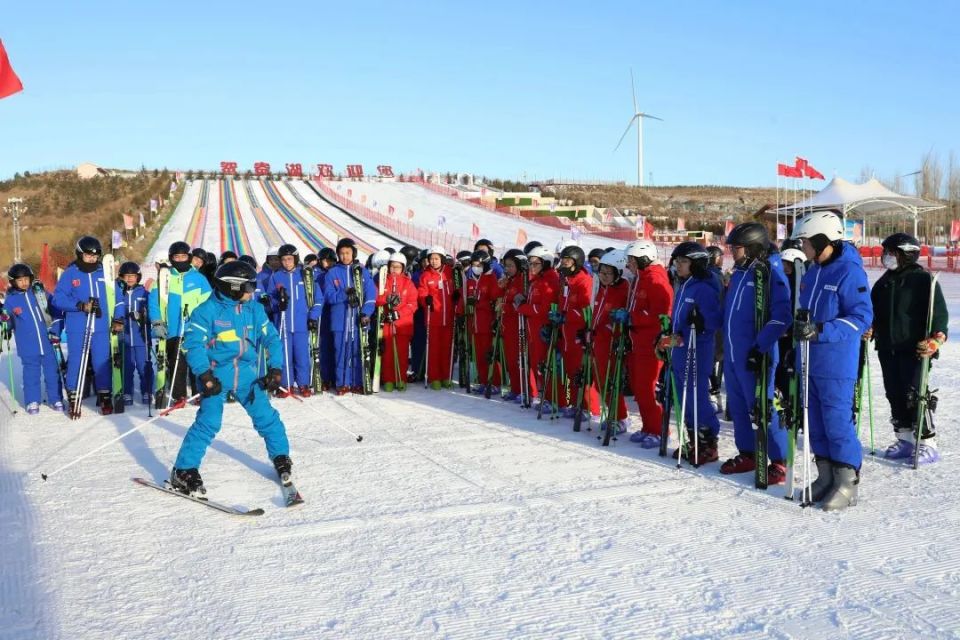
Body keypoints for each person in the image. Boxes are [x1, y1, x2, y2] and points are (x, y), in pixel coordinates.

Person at [168, 261, 292, 497]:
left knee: (266, 416)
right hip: (216, 376)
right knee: (209, 422)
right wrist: (204, 375)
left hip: (246, 375)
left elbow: (272, 339)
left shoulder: (253, 309)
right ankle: (183, 470)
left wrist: (276, 369)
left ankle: (281, 456)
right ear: (233, 287)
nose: (252, 291)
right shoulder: (206, 311)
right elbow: (193, 345)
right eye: (248, 287)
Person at [791, 212, 872, 511]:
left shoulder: (849, 272)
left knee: (837, 424)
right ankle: (825, 476)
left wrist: (822, 330)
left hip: (836, 363)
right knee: (815, 425)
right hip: (808, 360)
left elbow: (861, 317)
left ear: (822, 240)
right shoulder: (813, 271)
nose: (802, 247)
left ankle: (847, 482)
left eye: (805, 241)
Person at [717, 223, 792, 484]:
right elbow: (730, 313)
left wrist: (760, 347)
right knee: (737, 407)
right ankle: (748, 452)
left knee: (761, 407)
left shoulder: (770, 273)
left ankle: (780, 459)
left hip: (755, 354)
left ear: (750, 248)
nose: (731, 253)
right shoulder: (739, 272)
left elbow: (782, 316)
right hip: (733, 353)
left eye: (735, 248)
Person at [870, 232, 948, 464]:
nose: (886, 257)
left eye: (890, 253)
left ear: (906, 254)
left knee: (915, 395)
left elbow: (939, 314)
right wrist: (870, 327)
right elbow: (873, 313)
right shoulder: (883, 283)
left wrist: (936, 339)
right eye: (885, 253)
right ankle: (904, 438)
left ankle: (927, 442)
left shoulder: (923, 281)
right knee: (894, 393)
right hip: (887, 348)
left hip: (915, 349)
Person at [659, 242, 723, 465]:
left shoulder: (704, 287)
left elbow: (714, 320)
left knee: (695, 395)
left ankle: (707, 441)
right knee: (682, 394)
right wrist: (671, 334)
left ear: (696, 263)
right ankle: (693, 439)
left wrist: (701, 322)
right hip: (680, 348)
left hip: (698, 348)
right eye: (677, 262)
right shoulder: (684, 285)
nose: (678, 266)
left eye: (684, 262)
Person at [52, 236, 114, 415]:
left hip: (101, 325)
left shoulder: (104, 272)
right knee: (77, 360)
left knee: (101, 361)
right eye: (88, 256)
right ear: (80, 254)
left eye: (95, 256)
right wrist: (80, 305)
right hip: (78, 324)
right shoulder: (70, 273)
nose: (92, 259)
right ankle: (74, 395)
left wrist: (117, 318)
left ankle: (104, 395)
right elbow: (58, 298)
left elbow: (116, 297)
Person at [148, 241, 211, 406]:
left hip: (195, 329)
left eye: (183, 256)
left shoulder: (199, 279)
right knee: (177, 363)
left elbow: (208, 304)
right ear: (171, 258)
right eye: (177, 257)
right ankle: (179, 396)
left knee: (197, 362)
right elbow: (154, 302)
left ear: (189, 257)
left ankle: (199, 393)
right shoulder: (164, 277)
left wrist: (207, 324)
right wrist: (157, 322)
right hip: (173, 329)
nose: (180, 259)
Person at [624, 240, 674, 448]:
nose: (629, 265)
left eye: (632, 261)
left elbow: (661, 314)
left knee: (646, 388)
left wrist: (632, 318)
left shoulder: (655, 280)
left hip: (651, 342)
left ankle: (659, 430)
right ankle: (648, 426)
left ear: (643, 259)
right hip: (638, 341)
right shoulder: (641, 278)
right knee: (638, 387)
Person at [2, 263, 63, 413]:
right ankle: (32, 401)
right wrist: (4, 320)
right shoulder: (11, 300)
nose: (24, 282)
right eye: (20, 280)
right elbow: (8, 322)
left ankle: (56, 399)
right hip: (27, 345)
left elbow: (55, 311)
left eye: (26, 279)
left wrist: (55, 329)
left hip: (47, 341)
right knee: (31, 374)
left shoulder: (40, 292)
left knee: (52, 372)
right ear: (13, 282)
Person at [267, 244, 323, 397]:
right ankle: (286, 385)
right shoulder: (276, 276)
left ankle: (304, 384)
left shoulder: (305, 276)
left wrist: (312, 316)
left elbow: (318, 299)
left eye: (290, 259)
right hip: (284, 324)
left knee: (302, 356)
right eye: (284, 259)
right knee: (285, 356)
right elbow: (269, 299)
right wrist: (278, 304)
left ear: (295, 259)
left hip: (301, 324)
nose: (287, 262)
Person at [322, 238, 376, 394]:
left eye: (348, 253)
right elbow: (328, 296)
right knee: (341, 352)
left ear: (354, 253)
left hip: (359, 319)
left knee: (358, 352)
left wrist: (366, 312)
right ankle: (342, 383)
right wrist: (343, 294)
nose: (345, 256)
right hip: (340, 321)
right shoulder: (332, 273)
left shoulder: (362, 271)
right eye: (342, 253)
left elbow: (370, 295)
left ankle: (357, 381)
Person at [591, 250, 631, 434]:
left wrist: (611, 329)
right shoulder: (603, 288)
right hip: (598, 342)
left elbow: (624, 315)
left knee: (610, 381)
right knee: (600, 382)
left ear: (619, 273)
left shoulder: (623, 290)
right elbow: (596, 313)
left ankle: (620, 417)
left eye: (608, 273)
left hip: (612, 342)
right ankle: (614, 414)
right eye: (602, 272)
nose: (604, 277)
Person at [516, 246, 559, 406]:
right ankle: (542, 395)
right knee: (536, 364)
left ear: (546, 264)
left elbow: (543, 309)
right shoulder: (537, 280)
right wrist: (524, 299)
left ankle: (551, 398)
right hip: (533, 329)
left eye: (536, 263)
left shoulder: (550, 280)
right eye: (530, 263)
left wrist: (523, 307)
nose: (532, 267)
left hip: (543, 330)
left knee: (543, 365)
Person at [557, 245, 595, 420]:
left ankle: (590, 407)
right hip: (566, 333)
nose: (563, 264)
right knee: (571, 370)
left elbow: (586, 310)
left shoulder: (583, 281)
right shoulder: (566, 280)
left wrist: (566, 315)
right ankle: (574, 403)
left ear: (576, 262)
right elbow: (562, 303)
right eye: (562, 260)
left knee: (582, 371)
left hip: (578, 332)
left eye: (567, 261)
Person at [113, 261, 154, 406]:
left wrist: (142, 315)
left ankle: (147, 391)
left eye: (133, 276)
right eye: (126, 276)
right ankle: (127, 392)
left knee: (144, 366)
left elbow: (152, 312)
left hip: (141, 337)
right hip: (124, 338)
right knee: (127, 367)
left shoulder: (144, 293)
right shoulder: (118, 294)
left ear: (138, 277)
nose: (130, 279)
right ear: (121, 277)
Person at [376, 252, 418, 391]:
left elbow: (413, 304)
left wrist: (398, 313)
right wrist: (386, 302)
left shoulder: (408, 283)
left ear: (403, 268)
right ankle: (388, 379)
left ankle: (400, 379)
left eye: (398, 267)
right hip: (387, 324)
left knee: (402, 353)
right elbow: (377, 298)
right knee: (387, 354)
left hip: (402, 325)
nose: (394, 270)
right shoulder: (383, 281)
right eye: (392, 266)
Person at [464, 249, 502, 393]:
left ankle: (494, 382)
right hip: (474, 325)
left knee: (488, 354)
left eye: (479, 265)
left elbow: (494, 301)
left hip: (486, 323)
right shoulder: (470, 280)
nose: (476, 267)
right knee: (478, 355)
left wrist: (478, 303)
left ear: (485, 265)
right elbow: (465, 299)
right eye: (474, 264)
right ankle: (483, 380)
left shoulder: (490, 278)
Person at [417, 245, 455, 389]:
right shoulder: (426, 275)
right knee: (434, 349)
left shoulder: (450, 273)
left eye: (436, 258)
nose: (433, 261)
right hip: (433, 318)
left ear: (442, 259)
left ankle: (446, 376)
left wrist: (457, 297)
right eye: (431, 259)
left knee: (447, 349)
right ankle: (435, 377)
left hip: (448, 317)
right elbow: (421, 292)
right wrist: (425, 298)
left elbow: (458, 288)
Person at [499, 249, 533, 402]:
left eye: (511, 265)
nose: (508, 269)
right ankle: (515, 388)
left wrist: (504, 306)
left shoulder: (523, 281)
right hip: (508, 327)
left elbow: (517, 305)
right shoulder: (510, 280)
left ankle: (526, 390)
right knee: (511, 360)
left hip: (518, 326)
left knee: (521, 360)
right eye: (506, 266)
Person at [315, 247, 338, 389]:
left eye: (329, 261)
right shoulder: (316, 274)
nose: (326, 264)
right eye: (324, 261)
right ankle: (324, 378)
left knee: (335, 347)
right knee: (323, 347)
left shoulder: (335, 272)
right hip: (322, 313)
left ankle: (336, 377)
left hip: (334, 312)